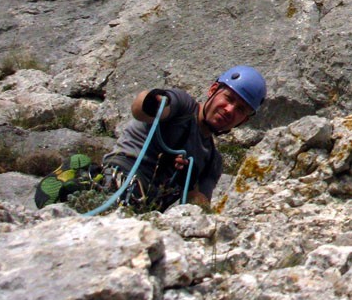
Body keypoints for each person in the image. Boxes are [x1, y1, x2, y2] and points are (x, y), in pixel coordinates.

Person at [99, 66, 266, 210]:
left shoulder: (212, 163)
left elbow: (199, 207)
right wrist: (152, 102)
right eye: (228, 98)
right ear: (213, 90)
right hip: (118, 182)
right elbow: (140, 109)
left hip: (144, 210)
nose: (230, 110)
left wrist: (189, 181)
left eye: (241, 110)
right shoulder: (183, 107)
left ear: (244, 120)